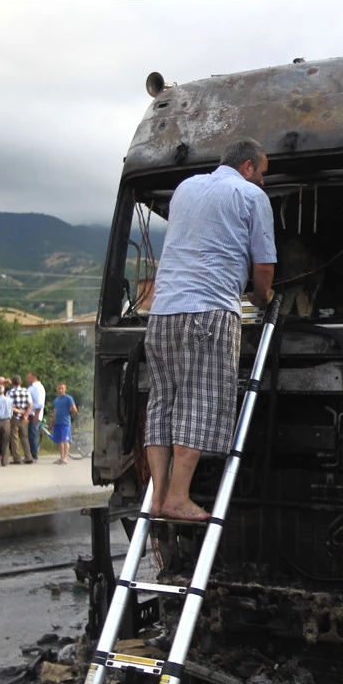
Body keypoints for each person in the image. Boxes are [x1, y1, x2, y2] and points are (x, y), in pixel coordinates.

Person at [144, 138, 277, 521]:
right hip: (210, 312)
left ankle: (156, 498)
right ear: (248, 167)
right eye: (263, 173)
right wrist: (262, 296)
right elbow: (264, 267)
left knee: (162, 404)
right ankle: (177, 498)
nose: (264, 182)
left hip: (163, 313)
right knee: (199, 403)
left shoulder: (186, 187)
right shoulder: (251, 196)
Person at [6, 376, 33, 464]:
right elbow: (30, 404)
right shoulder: (26, 391)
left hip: (14, 417)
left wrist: (20, 412)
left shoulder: (9, 393)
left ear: (12, 383)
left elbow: (9, 406)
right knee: (25, 437)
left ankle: (17, 458)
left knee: (14, 438)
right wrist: (25, 414)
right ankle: (28, 456)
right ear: (20, 383)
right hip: (24, 418)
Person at [50, 382, 78, 464]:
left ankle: (65, 457)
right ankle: (61, 457)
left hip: (65, 422)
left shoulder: (68, 398)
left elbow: (74, 409)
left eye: (62, 388)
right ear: (57, 389)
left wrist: (69, 414)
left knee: (65, 440)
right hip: (57, 423)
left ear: (65, 389)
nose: (60, 390)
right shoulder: (56, 400)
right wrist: (52, 423)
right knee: (59, 441)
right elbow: (54, 412)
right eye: (59, 388)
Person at [26, 372, 46, 462]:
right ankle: (31, 454)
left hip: (34, 414)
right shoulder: (32, 387)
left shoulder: (37, 387)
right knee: (31, 435)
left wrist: (37, 415)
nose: (27, 379)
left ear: (33, 377)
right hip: (32, 413)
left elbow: (39, 402)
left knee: (32, 435)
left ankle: (34, 455)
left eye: (28, 377)